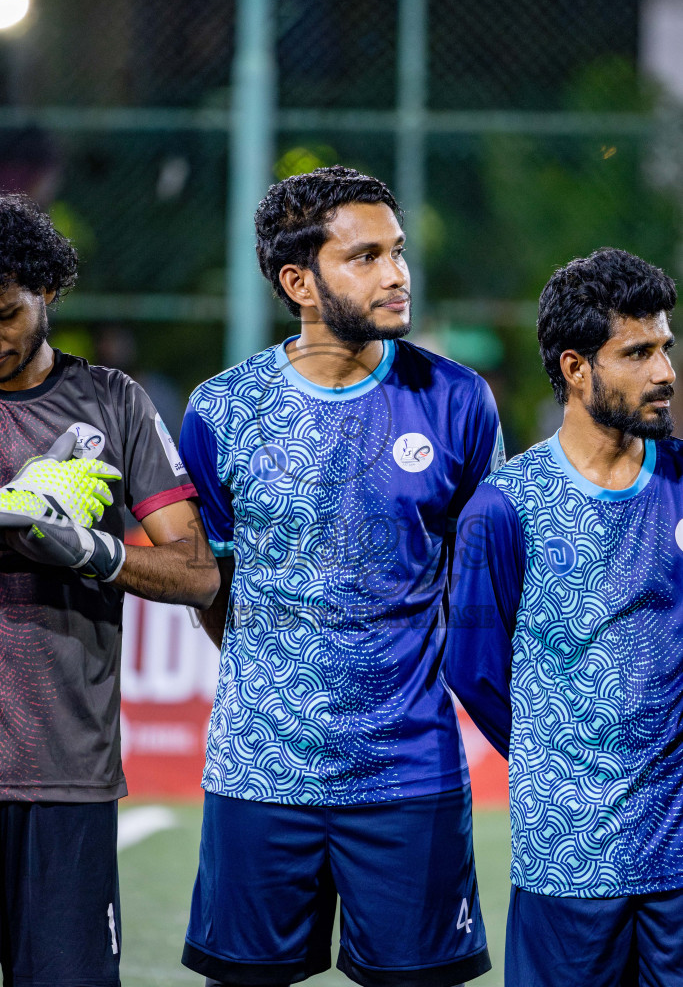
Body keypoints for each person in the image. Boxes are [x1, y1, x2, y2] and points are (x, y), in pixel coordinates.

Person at [179, 165, 505, 987]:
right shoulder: (219, 412)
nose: (396, 274)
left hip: (409, 772)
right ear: (300, 282)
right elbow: (212, 587)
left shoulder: (458, 402)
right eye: (365, 257)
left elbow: (480, 591)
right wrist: (277, 684)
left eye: (397, 252)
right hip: (259, 771)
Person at [446, 247, 683, 986]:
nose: (664, 372)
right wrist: (566, 763)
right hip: (568, 859)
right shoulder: (503, 507)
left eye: (664, 348)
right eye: (637, 352)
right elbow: (474, 672)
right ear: (576, 369)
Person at [0, 193, 220, 987]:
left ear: (48, 292)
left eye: (4, 314)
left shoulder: (113, 402)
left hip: (65, 774)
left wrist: (88, 549)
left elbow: (196, 573)